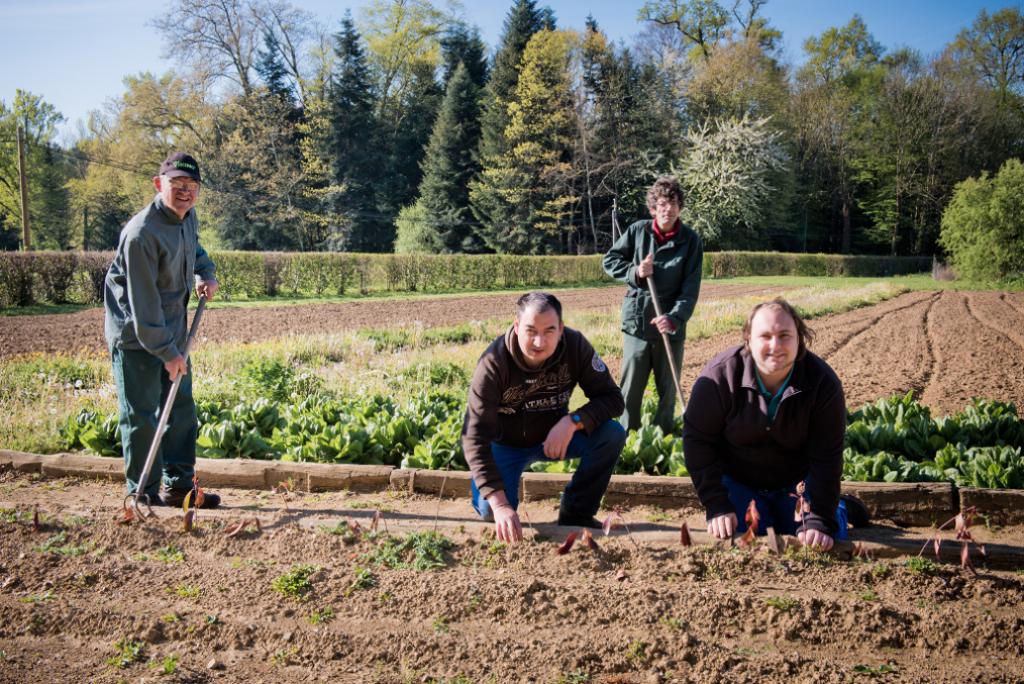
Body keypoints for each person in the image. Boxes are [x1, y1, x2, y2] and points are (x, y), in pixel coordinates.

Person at [683, 298, 867, 550]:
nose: (775, 345)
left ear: (799, 337)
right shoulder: (719, 377)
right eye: (765, 336)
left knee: (815, 537)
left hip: (796, 484)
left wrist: (821, 517)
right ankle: (774, 509)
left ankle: (839, 508)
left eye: (784, 335)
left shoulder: (823, 384)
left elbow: (827, 456)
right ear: (748, 339)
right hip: (738, 482)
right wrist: (716, 504)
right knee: (744, 533)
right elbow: (697, 441)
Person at [104, 152, 222, 509]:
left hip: (172, 329)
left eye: (191, 186)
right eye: (177, 184)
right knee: (142, 415)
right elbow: (143, 306)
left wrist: (205, 272)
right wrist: (168, 353)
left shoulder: (187, 217)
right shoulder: (141, 234)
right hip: (135, 334)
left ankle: (179, 486)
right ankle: (141, 493)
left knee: (181, 408)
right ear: (159, 185)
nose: (185, 191)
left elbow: (194, 248)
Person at [462, 292, 627, 543]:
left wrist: (573, 421)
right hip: (505, 444)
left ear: (561, 329)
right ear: (517, 327)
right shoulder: (493, 363)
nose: (539, 342)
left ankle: (576, 511)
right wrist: (500, 504)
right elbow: (474, 437)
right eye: (531, 331)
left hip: (554, 437)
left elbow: (613, 399)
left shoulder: (575, 346)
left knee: (612, 434)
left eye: (549, 331)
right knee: (489, 511)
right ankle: (497, 501)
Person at [602, 176, 703, 434]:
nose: (668, 208)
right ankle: (625, 442)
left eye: (673, 203)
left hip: (669, 326)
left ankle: (664, 442)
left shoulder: (690, 241)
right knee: (631, 390)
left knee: (668, 392)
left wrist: (674, 318)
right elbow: (610, 261)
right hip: (637, 323)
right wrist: (636, 271)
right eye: (662, 203)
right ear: (653, 208)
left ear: (680, 208)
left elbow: (690, 290)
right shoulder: (638, 231)